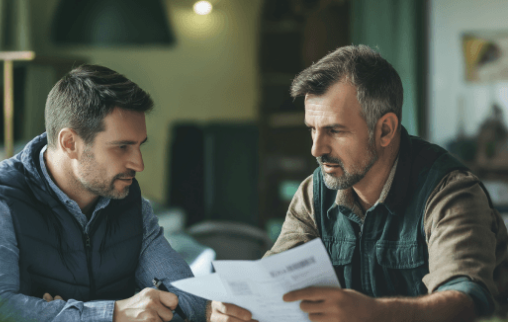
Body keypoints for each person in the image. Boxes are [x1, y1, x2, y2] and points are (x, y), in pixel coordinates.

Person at [208, 45, 508, 322]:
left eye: (334, 131)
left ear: (385, 130)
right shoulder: (314, 195)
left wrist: (373, 313)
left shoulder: (450, 192)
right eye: (312, 129)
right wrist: (235, 309)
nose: (316, 149)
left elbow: (464, 302)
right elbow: (270, 287)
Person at [0, 65, 206, 322]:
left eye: (138, 145)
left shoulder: (129, 201)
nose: (139, 164)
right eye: (122, 147)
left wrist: (210, 310)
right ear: (70, 143)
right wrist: (115, 314)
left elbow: (183, 293)